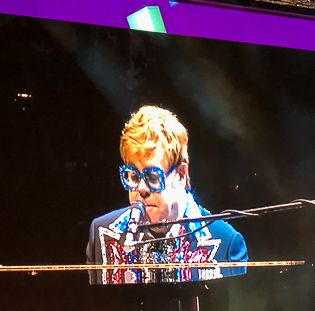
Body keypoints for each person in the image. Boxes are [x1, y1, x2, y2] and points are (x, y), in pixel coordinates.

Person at [86, 106, 248, 284]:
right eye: (133, 176)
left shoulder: (226, 243)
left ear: (181, 174)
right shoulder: (101, 234)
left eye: (152, 177)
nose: (141, 189)